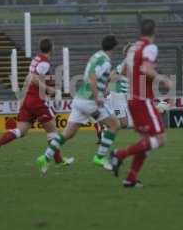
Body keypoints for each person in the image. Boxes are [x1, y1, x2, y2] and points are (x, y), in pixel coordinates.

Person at [36, 35, 120, 174]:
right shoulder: (105, 61)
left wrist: (101, 89)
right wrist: (97, 94)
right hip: (90, 101)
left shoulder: (96, 55)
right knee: (114, 125)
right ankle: (99, 157)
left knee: (68, 133)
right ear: (114, 47)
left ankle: (46, 157)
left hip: (79, 99)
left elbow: (93, 77)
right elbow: (93, 77)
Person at [0, 38, 74, 166]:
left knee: (21, 131)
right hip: (38, 101)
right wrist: (48, 88)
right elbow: (33, 79)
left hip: (28, 99)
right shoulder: (44, 63)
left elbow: (28, 77)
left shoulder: (36, 59)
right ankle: (58, 161)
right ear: (51, 48)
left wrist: (22, 98)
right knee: (52, 132)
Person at [110, 19, 172, 188]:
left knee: (146, 142)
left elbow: (123, 71)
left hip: (132, 99)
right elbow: (146, 69)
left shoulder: (133, 48)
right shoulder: (149, 47)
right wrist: (163, 79)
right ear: (155, 31)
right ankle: (119, 154)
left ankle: (130, 179)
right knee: (160, 139)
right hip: (143, 99)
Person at [94, 42, 133, 144]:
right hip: (117, 95)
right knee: (123, 123)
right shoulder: (126, 63)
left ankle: (104, 126)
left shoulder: (133, 63)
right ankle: (104, 130)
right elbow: (111, 76)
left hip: (123, 96)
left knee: (123, 123)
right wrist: (106, 88)